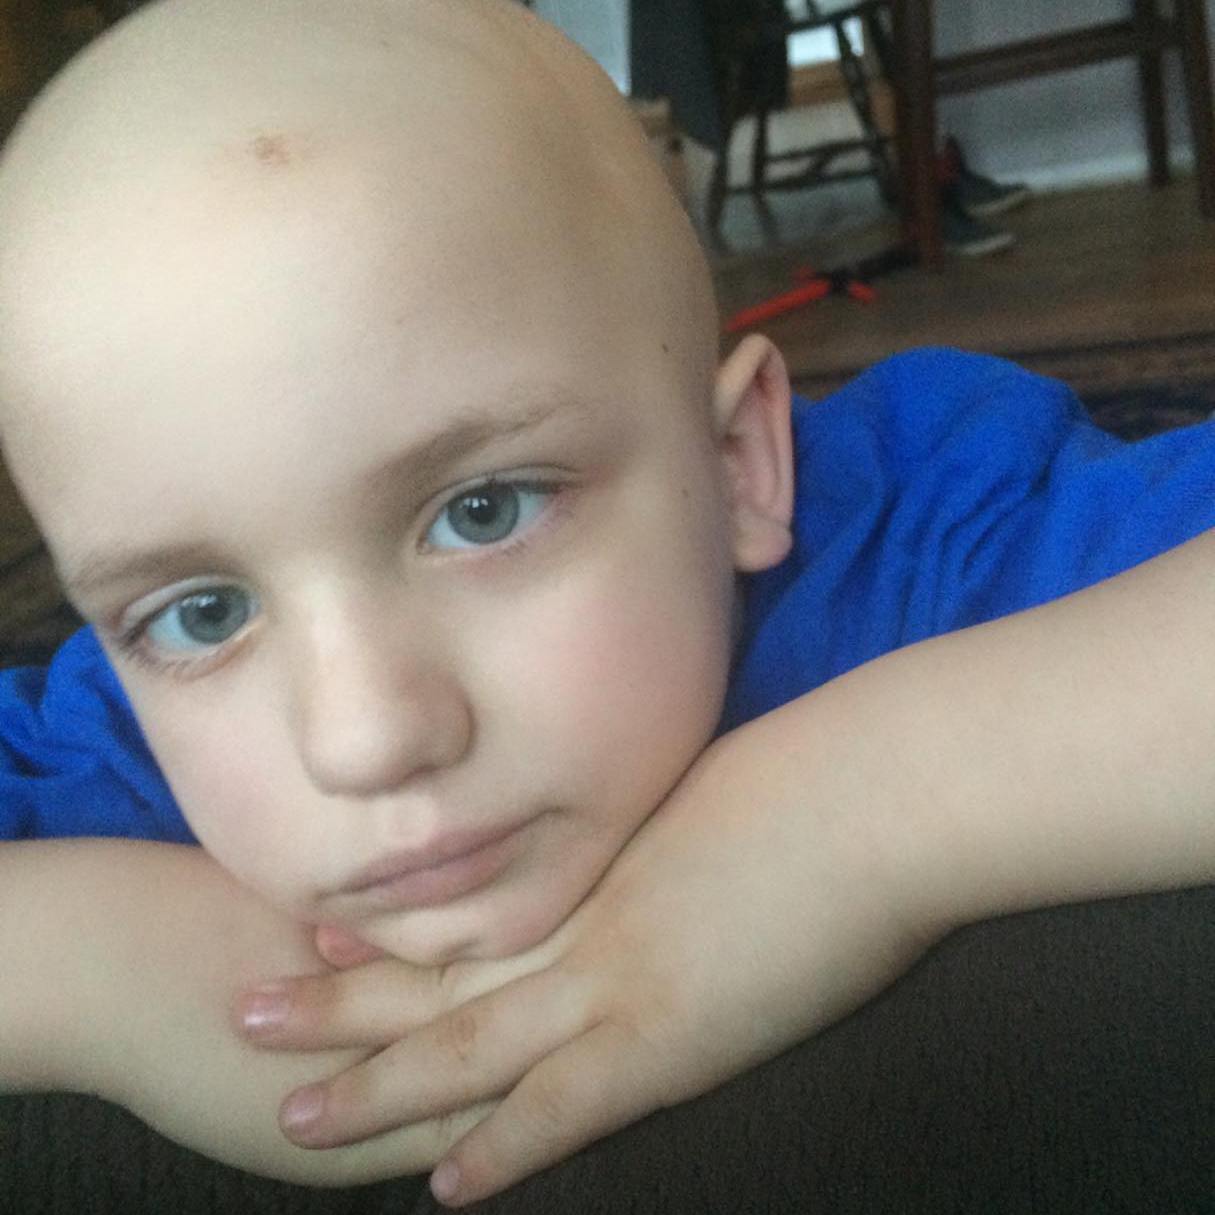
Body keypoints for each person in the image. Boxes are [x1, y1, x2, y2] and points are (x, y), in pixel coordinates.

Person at [0, 0, 1213, 1207]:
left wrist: (862, 807)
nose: (366, 738)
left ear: (738, 468)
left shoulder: (924, 539)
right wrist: (97, 959)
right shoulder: (121, 741)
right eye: (204, 615)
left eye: (484, 512)